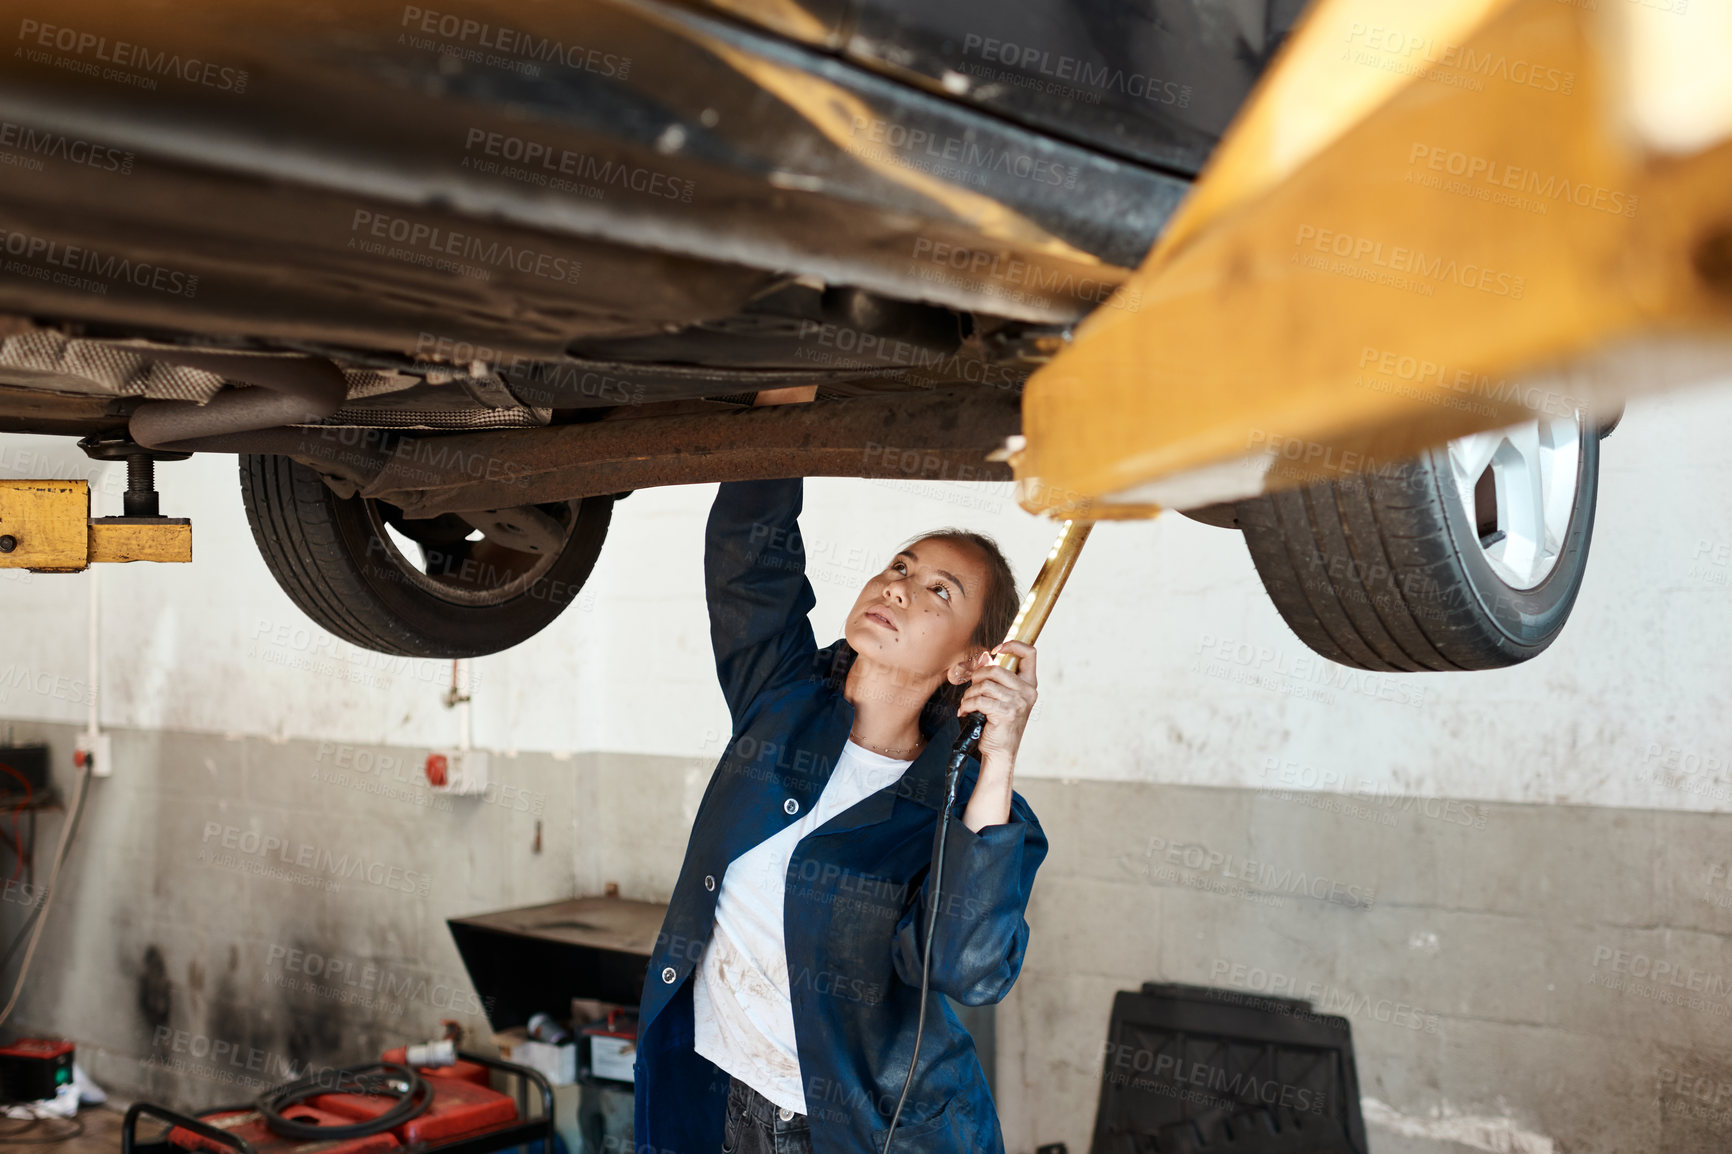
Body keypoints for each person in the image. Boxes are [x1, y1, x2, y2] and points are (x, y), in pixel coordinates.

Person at [633, 471, 1048, 1154]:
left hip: (862, 1134)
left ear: (968, 663)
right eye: (900, 566)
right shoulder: (780, 699)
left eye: (938, 592)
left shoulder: (958, 807)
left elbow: (966, 969)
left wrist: (998, 754)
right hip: (722, 1098)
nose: (898, 587)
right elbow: (748, 559)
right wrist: (784, 405)